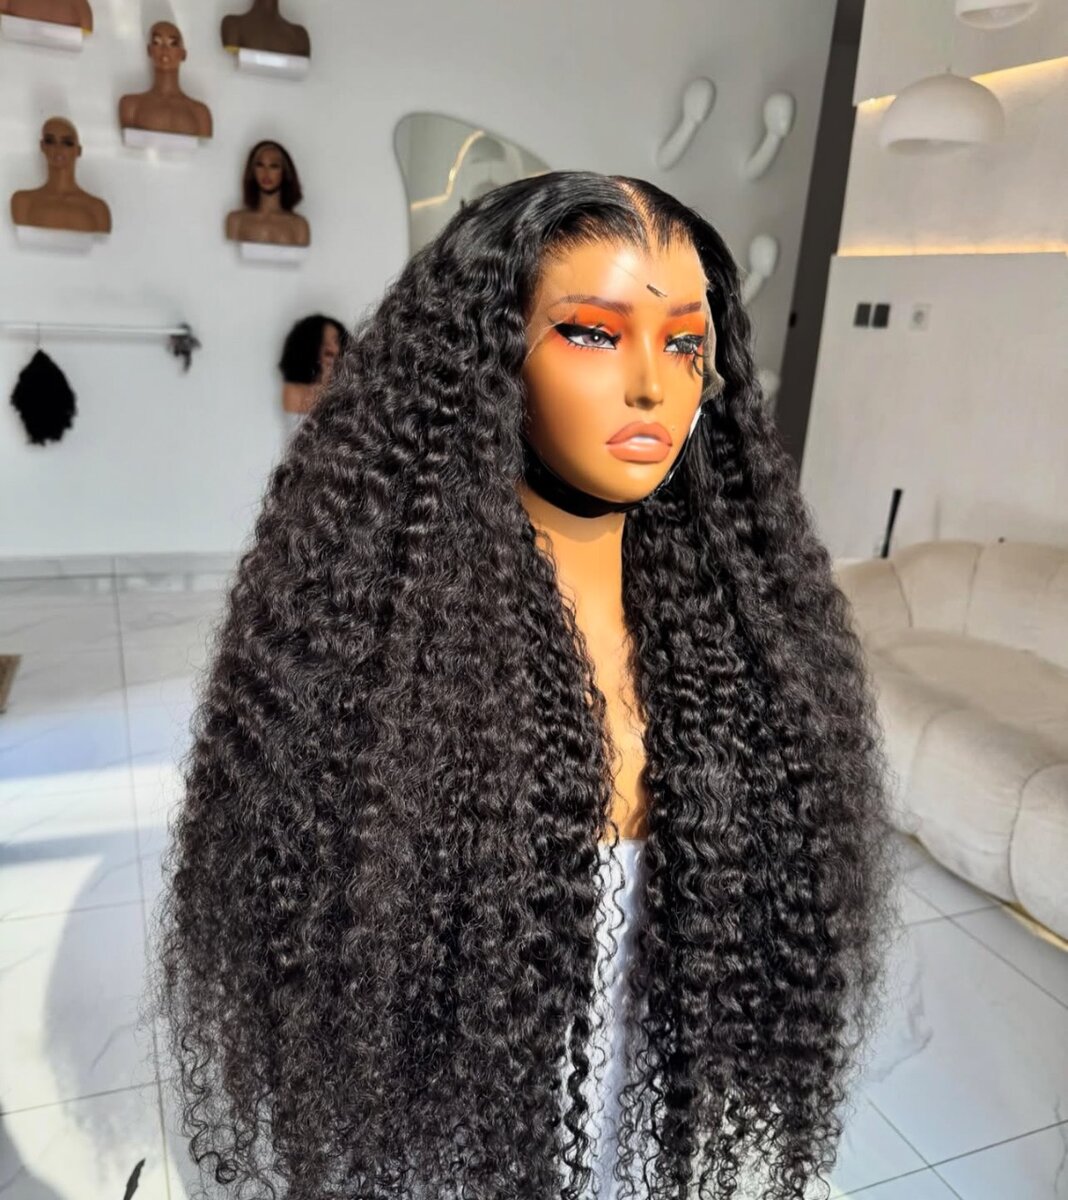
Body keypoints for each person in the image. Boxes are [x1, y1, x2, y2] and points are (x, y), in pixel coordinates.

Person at [154, 171, 898, 1200]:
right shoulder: (376, 667)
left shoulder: (746, 647)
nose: (654, 385)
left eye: (686, 343)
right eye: (594, 332)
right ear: (484, 360)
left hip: (634, 1136)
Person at [10, 116, 110, 234]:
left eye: (67, 143)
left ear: (78, 151)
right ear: (42, 146)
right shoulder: (23, 201)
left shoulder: (97, 209)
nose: (58, 148)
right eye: (50, 141)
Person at [118, 21, 212, 139]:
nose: (164, 49)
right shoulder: (130, 105)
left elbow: (207, 148)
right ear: (149, 50)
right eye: (157, 42)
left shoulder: (200, 113)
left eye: (173, 43)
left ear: (183, 54)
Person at [225, 140, 310, 248]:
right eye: (260, 165)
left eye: (274, 166)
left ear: (285, 172)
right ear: (252, 171)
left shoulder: (299, 225)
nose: (266, 172)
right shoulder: (236, 220)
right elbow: (226, 257)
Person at [277, 313, 347, 436]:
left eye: (336, 341)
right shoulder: (292, 390)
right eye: (323, 341)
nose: (331, 347)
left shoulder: (345, 387)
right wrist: (325, 376)